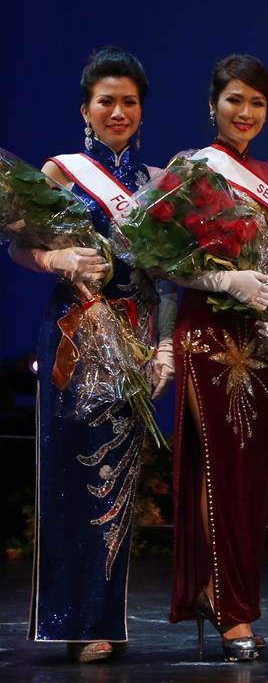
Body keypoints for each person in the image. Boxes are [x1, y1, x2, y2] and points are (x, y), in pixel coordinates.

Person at [9, 47, 174, 663]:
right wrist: (54, 259)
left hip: (132, 334)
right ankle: (69, 619)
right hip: (75, 335)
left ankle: (103, 620)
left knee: (116, 479)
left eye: (129, 102)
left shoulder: (157, 182)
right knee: (70, 475)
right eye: (107, 101)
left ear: (141, 110)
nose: (118, 111)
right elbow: (18, 246)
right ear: (86, 109)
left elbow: (165, 278)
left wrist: (164, 346)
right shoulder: (61, 171)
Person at [169, 54, 268, 662]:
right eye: (235, 100)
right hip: (208, 333)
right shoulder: (192, 168)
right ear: (213, 104)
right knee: (220, 466)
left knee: (249, 476)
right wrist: (225, 282)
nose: (245, 113)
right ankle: (231, 611)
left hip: (261, 338)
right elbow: (164, 259)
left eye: (257, 103)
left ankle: (219, 592)